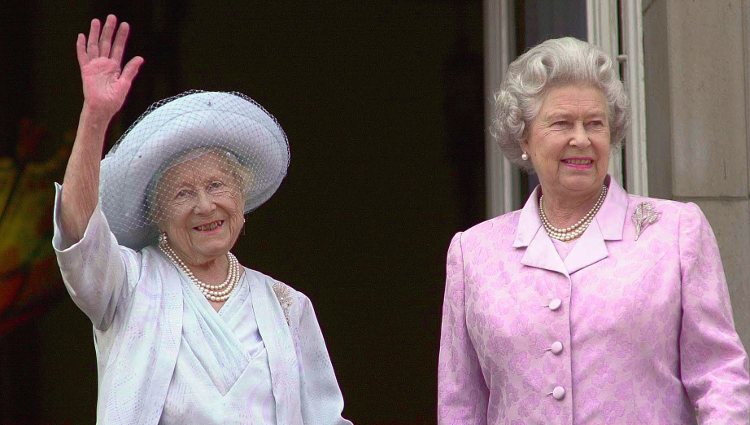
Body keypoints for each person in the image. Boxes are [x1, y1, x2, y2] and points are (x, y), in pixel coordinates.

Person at [53, 15, 351, 424]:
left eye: (216, 186)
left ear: (241, 200)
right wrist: (95, 118)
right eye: (182, 193)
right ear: (158, 213)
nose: (205, 206)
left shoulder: (287, 306)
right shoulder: (128, 286)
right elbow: (78, 231)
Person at [437, 37, 750, 424]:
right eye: (562, 123)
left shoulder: (675, 232)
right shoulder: (474, 253)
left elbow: (719, 377)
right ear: (524, 138)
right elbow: (460, 404)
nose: (581, 139)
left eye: (595, 123)